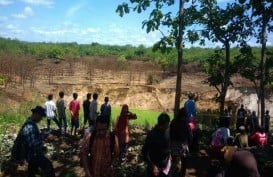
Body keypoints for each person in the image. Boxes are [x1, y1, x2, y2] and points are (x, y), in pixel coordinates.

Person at [21, 106, 56, 177]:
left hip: (32, 155)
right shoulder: (29, 126)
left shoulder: (31, 124)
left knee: (32, 172)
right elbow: (33, 144)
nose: (41, 119)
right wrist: (45, 139)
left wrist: (42, 137)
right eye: (41, 116)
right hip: (33, 155)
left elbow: (33, 139)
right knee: (48, 166)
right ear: (36, 114)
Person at [142, 113, 171, 177]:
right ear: (163, 124)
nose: (168, 125)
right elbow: (144, 152)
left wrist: (169, 155)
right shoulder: (152, 135)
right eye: (167, 124)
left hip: (166, 167)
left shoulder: (167, 131)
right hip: (154, 169)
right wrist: (152, 166)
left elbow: (168, 144)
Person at [170, 107, 192, 177]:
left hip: (174, 143)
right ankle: (182, 174)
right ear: (185, 115)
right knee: (184, 162)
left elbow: (170, 132)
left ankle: (172, 174)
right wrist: (190, 144)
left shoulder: (173, 121)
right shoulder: (186, 123)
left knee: (174, 162)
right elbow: (190, 135)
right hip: (183, 144)